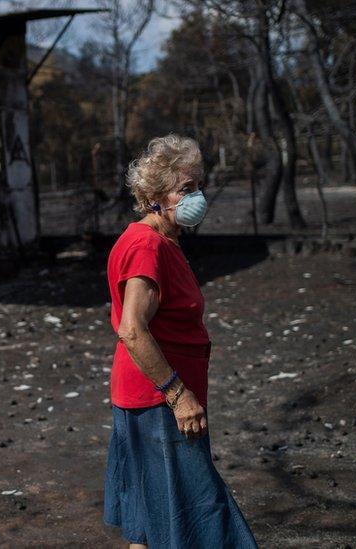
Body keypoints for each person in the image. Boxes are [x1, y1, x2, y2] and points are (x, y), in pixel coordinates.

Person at [102, 134, 258, 548]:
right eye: (185, 189)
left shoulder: (156, 241)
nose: (197, 197)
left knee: (149, 521)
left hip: (142, 399)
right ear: (155, 195)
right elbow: (132, 328)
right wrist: (178, 395)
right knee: (200, 516)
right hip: (159, 404)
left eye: (198, 186)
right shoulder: (146, 246)